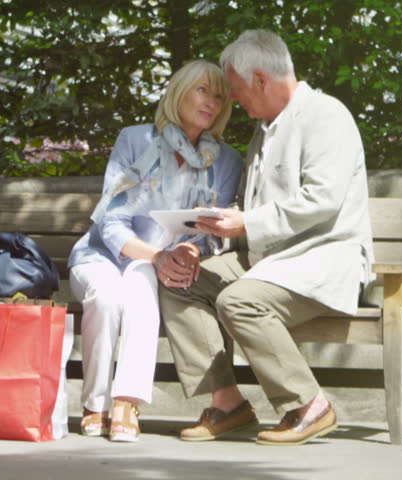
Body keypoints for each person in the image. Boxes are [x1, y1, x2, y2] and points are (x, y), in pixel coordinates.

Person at [158, 30, 375, 446]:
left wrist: (246, 223)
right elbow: (252, 213)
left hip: (321, 258)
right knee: (179, 279)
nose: (234, 101)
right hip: (268, 259)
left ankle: (310, 405)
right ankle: (227, 404)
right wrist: (211, 233)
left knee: (239, 301)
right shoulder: (265, 129)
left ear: (261, 79)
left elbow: (322, 201)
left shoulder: (325, 115)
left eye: (237, 90)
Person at [68, 59, 244, 442]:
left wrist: (191, 250)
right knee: (107, 295)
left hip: (160, 264)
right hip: (105, 255)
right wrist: (155, 256)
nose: (211, 102)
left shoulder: (227, 161)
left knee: (142, 289)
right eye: (202, 91)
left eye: (219, 96)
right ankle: (94, 403)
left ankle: (126, 401)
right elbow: (111, 220)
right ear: (179, 92)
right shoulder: (136, 140)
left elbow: (212, 231)